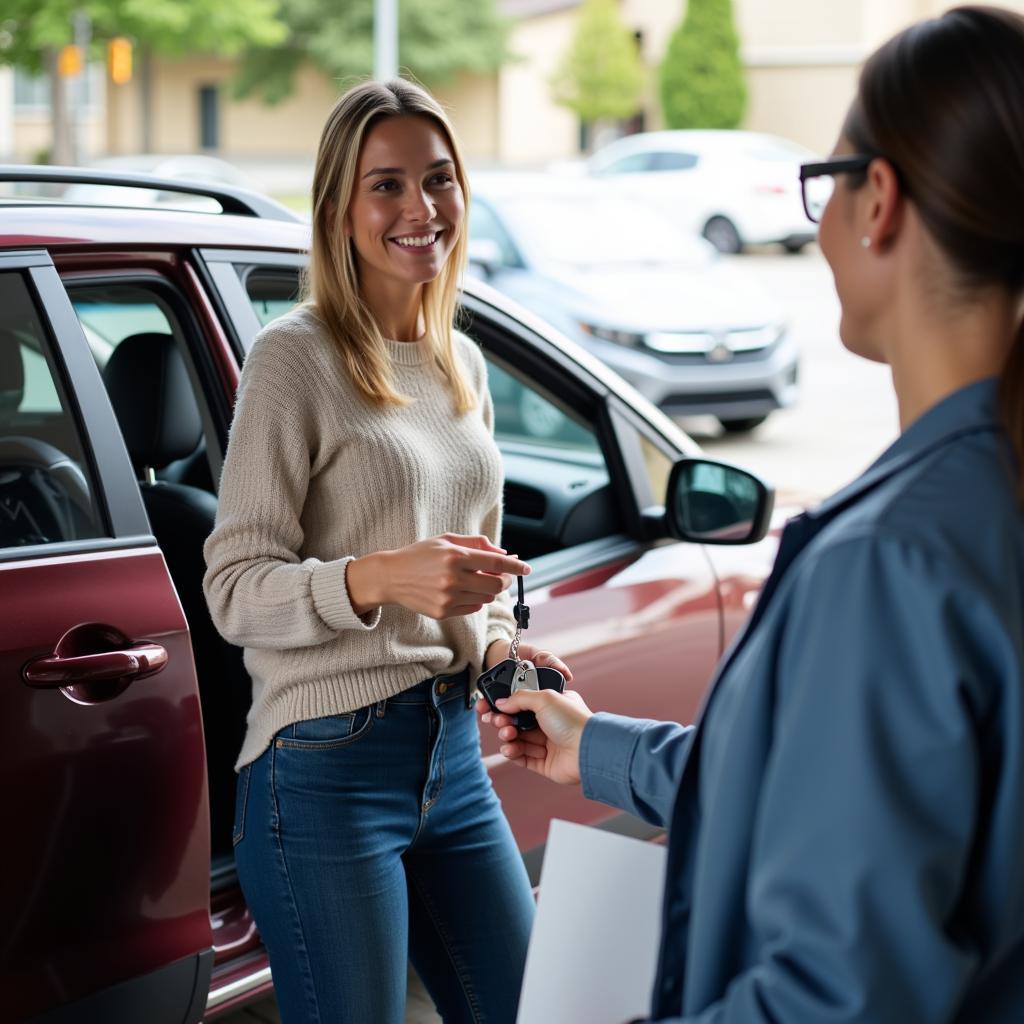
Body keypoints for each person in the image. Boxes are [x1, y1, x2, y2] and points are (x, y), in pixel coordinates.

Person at [480, 7, 1024, 1021]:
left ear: (881, 203)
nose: (814, 223)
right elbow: (827, 801)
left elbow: (837, 996)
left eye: (823, 183)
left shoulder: (888, 560)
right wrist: (590, 746)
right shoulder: (979, 500)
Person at [203, 78, 572, 1024]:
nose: (422, 209)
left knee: (532, 1009)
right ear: (339, 207)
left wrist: (501, 654)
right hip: (323, 771)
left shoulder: (463, 360)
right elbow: (234, 591)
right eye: (388, 185)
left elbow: (480, 575)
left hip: (451, 756)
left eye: (439, 180)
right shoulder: (297, 359)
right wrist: (373, 579)